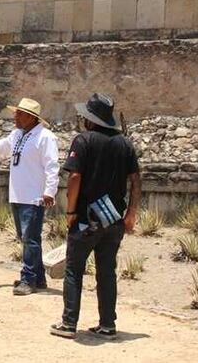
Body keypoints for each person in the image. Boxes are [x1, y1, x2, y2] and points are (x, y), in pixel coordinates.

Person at [52, 93, 142, 339]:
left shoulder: (83, 141)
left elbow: (74, 177)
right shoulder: (125, 144)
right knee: (106, 271)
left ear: (91, 119)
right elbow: (135, 180)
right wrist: (131, 213)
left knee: (74, 270)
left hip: (85, 218)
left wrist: (70, 210)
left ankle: (69, 323)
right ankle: (107, 325)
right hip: (113, 219)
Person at [0, 97, 60, 296]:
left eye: (19, 113)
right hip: (18, 194)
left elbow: (52, 165)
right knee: (27, 238)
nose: (15, 116)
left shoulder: (45, 137)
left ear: (31, 117)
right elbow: (3, 150)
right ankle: (38, 277)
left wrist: (49, 191)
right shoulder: (17, 134)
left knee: (30, 238)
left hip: (34, 196)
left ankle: (28, 278)